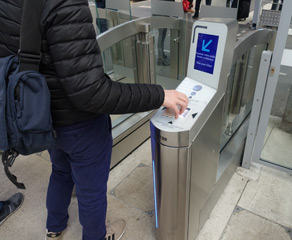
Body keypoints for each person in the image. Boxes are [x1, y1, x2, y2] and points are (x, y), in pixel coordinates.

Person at [0, 1, 188, 240]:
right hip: (80, 125)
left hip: (40, 117)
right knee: (91, 192)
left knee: (59, 171)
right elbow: (92, 93)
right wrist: (159, 95)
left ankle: (54, 227)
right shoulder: (66, 4)